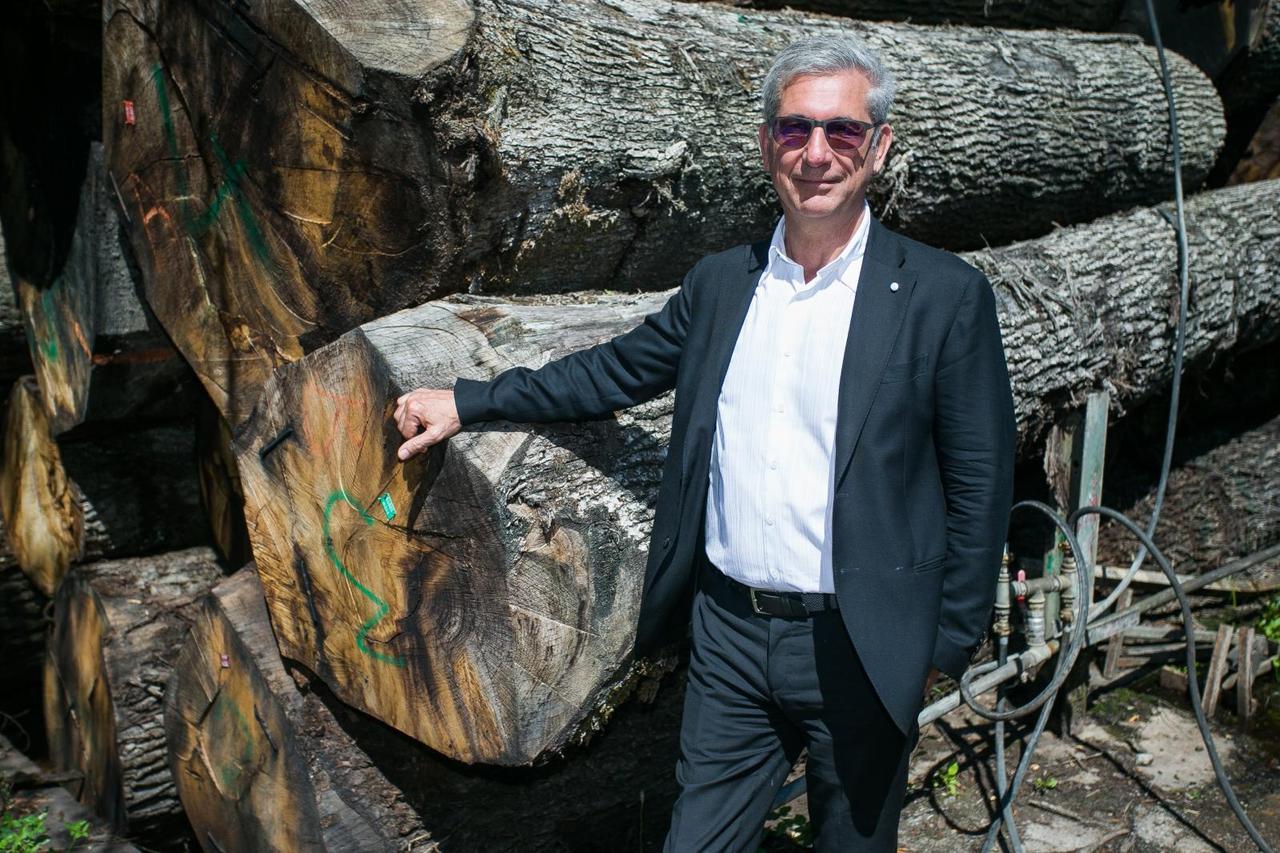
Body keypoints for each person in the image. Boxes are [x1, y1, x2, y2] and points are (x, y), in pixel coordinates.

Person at [394, 35, 1015, 852]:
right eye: (795, 129)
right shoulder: (723, 284)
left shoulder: (942, 296)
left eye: (842, 131)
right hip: (728, 638)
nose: (817, 154)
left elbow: (980, 481)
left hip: (862, 644)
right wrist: (471, 399)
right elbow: (611, 371)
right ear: (766, 144)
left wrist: (945, 642)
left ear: (879, 146)